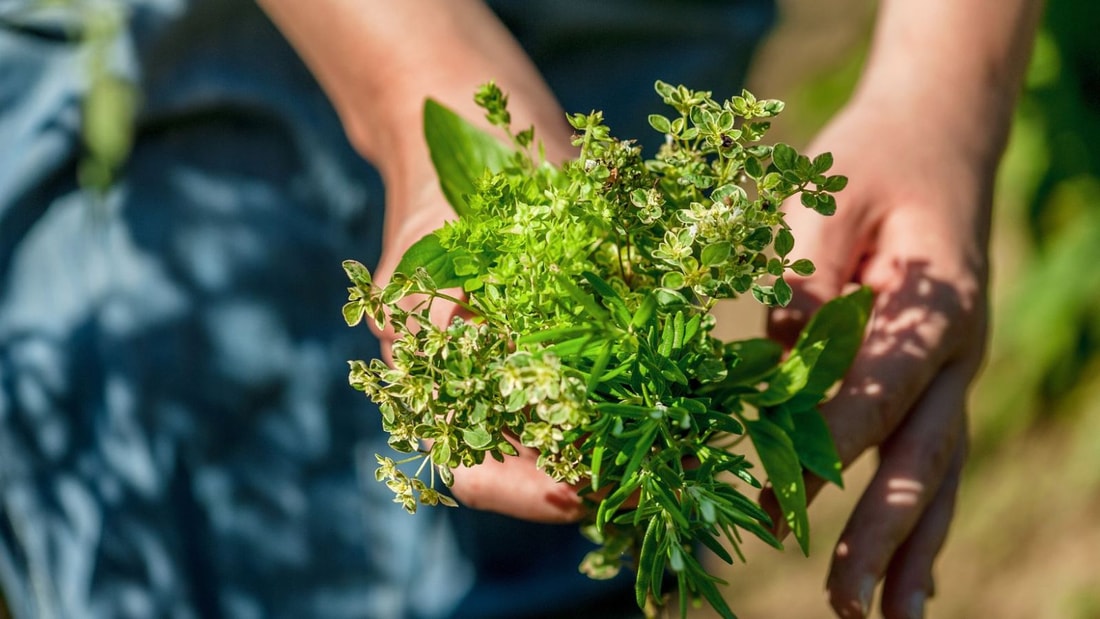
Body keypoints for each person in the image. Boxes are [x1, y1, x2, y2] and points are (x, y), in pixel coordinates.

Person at [0, 1, 1042, 618]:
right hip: (191, 67)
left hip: (630, 25)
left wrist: (944, 87)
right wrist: (419, 71)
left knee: (564, 509)